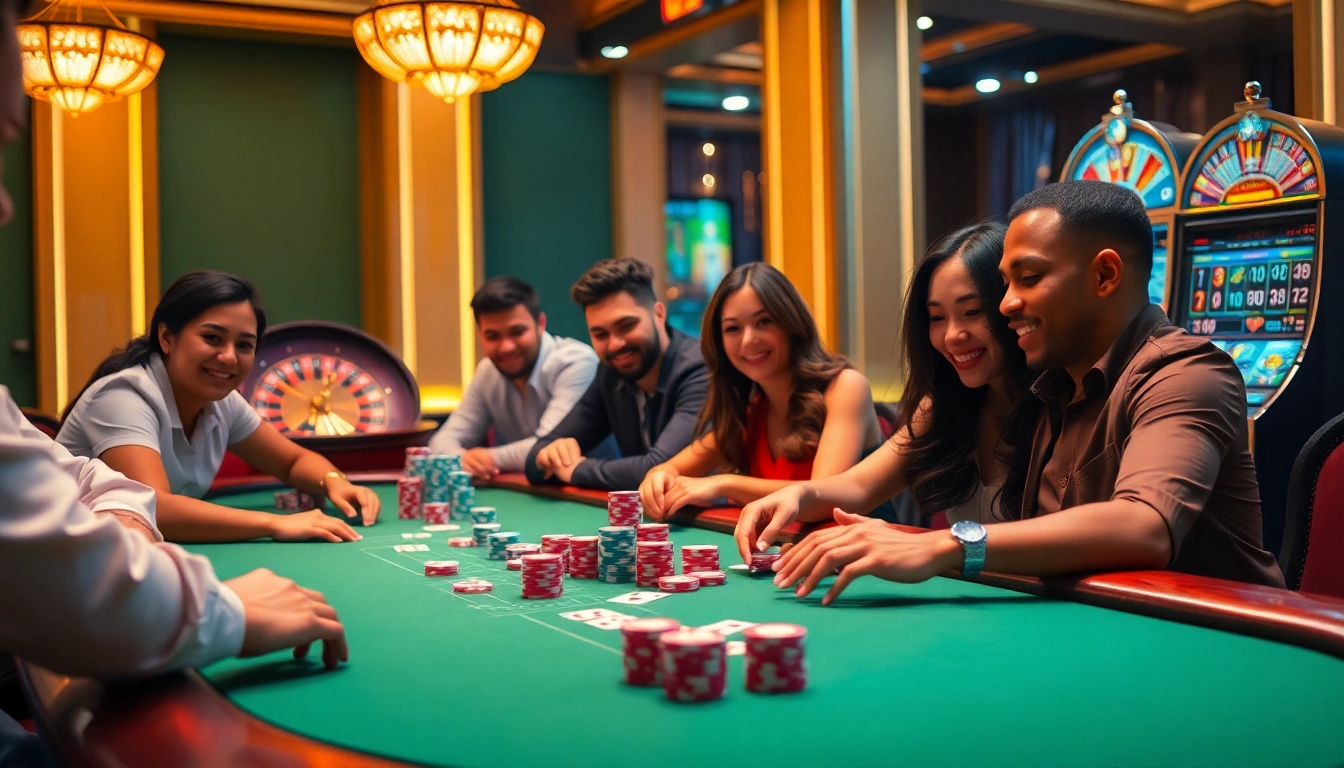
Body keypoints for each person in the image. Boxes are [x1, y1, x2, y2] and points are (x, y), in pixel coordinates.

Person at [764, 181, 1284, 605]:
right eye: (1005, 285)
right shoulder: (1051, 386)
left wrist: (945, 546)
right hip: (1100, 631)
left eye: (1028, 279)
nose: (1007, 304)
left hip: (1219, 640)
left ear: (1105, 274)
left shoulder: (1186, 370)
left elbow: (1142, 525)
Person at [732, 222, 1038, 565]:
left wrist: (932, 546)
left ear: (1012, 305)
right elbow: (858, 487)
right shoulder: (941, 408)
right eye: (936, 317)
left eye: (972, 312)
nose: (952, 335)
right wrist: (798, 494)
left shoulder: (1058, 404)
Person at [58, 270, 382, 543]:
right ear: (167, 337)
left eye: (244, 345)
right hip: (67, 566)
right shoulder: (122, 396)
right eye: (213, 338)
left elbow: (293, 460)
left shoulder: (223, 402)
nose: (228, 357)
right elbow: (152, 506)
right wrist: (274, 523)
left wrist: (334, 480)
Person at [638, 262, 883, 520]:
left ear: (792, 323)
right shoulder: (751, 411)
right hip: (788, 554)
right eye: (733, 328)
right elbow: (669, 470)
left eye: (764, 321)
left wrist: (724, 484)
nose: (748, 340)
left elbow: (822, 498)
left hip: (864, 553)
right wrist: (657, 478)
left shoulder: (845, 387)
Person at [525, 259, 709, 491]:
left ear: (659, 315)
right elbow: (537, 454)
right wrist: (547, 457)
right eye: (600, 334)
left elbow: (656, 469)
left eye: (626, 326)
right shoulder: (611, 373)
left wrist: (573, 471)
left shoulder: (700, 369)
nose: (615, 345)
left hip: (718, 519)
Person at [428, 277, 598, 479]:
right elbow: (444, 439)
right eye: (492, 336)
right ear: (479, 334)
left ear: (540, 324)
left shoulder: (576, 362)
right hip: (528, 489)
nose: (506, 346)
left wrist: (485, 458)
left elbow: (547, 445)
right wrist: (460, 458)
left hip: (592, 493)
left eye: (517, 332)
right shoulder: (487, 371)